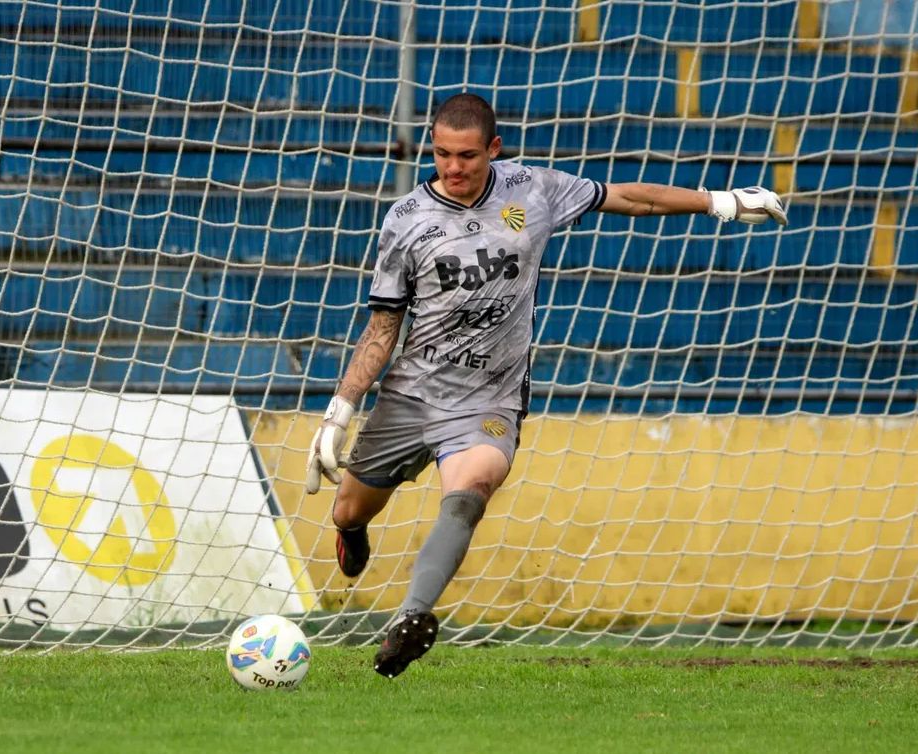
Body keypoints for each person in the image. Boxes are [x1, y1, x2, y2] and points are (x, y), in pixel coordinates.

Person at [305, 93, 787, 678]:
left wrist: (719, 201)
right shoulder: (405, 219)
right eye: (441, 155)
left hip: (490, 397)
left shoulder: (532, 188)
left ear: (493, 149)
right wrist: (340, 409)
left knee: (473, 486)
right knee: (348, 507)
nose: (452, 168)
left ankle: (411, 617)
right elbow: (384, 326)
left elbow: (628, 197)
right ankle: (352, 531)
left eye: (466, 156)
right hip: (411, 394)